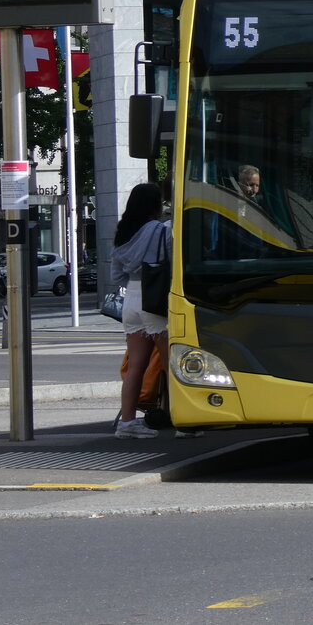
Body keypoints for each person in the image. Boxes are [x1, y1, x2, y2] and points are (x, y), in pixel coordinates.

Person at [110, 182, 171, 439]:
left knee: (136, 366)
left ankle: (127, 422)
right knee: (172, 364)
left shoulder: (122, 233)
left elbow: (116, 275)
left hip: (131, 299)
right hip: (155, 298)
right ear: (154, 205)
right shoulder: (161, 230)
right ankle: (186, 422)